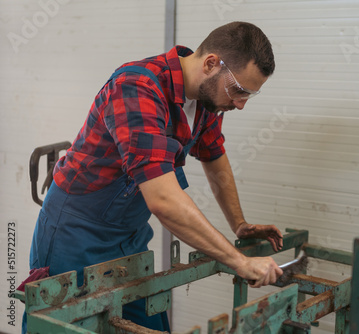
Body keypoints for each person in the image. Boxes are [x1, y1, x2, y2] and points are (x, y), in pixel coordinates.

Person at [24, 21, 283, 332]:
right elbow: (163, 200)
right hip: (75, 232)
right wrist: (240, 262)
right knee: (67, 325)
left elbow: (215, 157)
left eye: (249, 96)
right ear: (211, 64)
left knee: (147, 324)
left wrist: (239, 224)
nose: (240, 104)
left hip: (128, 235)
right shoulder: (137, 87)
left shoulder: (206, 102)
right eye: (239, 90)